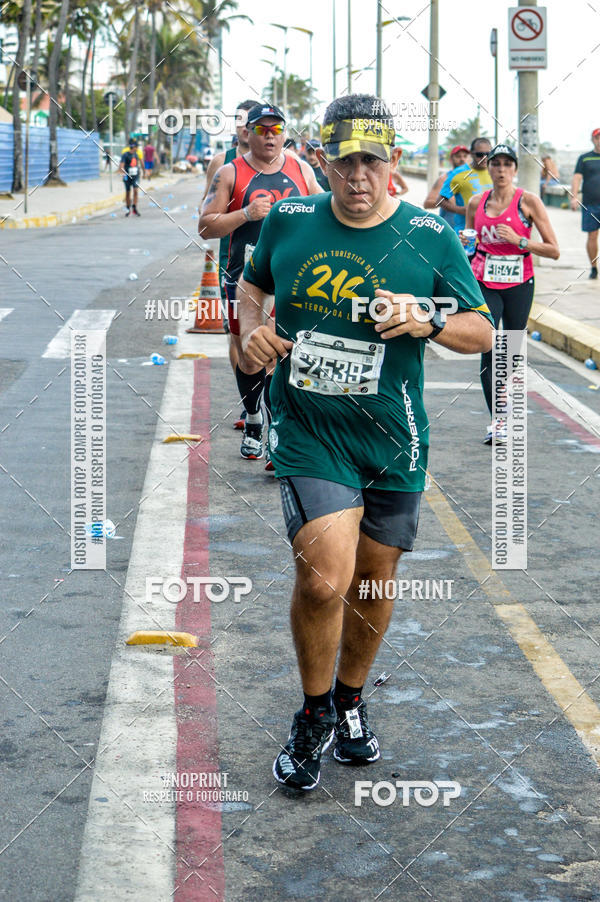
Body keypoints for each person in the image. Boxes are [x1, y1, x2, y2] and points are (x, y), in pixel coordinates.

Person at [237, 93, 494, 791]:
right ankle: (314, 712)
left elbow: (481, 330)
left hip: (393, 436)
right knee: (324, 575)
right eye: (344, 161)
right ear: (321, 161)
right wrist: (250, 333)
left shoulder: (430, 237)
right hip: (310, 428)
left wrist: (428, 321)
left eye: (371, 162)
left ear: (394, 165)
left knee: (375, 580)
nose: (357, 177)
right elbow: (253, 288)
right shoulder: (289, 220)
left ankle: (351, 699)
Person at [198, 102, 322, 463]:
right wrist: (246, 214)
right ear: (248, 133)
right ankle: (254, 417)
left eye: (276, 129)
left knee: (284, 353)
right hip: (244, 277)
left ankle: (279, 435)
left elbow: (323, 210)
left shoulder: (300, 168)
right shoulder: (230, 172)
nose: (270, 136)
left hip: (293, 276)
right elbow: (205, 225)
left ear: (285, 133)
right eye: (262, 129)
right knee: (251, 354)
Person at [462, 144, 559, 444]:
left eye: (507, 164)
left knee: (511, 351)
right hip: (484, 281)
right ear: (488, 168)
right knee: (489, 347)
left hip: (520, 283)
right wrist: (462, 244)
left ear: (515, 170)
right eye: (496, 164)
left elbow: (553, 250)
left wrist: (521, 242)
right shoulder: (476, 202)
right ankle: (498, 422)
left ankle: (507, 414)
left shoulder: (527, 201)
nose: (501, 170)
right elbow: (469, 244)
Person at [200, 99, 264, 432]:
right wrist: (245, 214)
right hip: (235, 266)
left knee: (271, 340)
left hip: (276, 270)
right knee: (238, 341)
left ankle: (266, 410)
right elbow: (208, 217)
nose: (244, 126)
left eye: (250, 121)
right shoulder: (222, 164)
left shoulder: (284, 164)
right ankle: (250, 404)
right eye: (240, 121)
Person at [440, 138, 493, 233]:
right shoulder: (458, 173)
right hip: (466, 234)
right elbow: (440, 200)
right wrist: (462, 210)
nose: (484, 158)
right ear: (472, 154)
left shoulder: (495, 171)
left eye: (488, 154)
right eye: (480, 155)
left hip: (489, 234)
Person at [571, 129, 600, 279]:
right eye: (597, 137)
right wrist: (574, 197)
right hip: (590, 204)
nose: (599, 140)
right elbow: (577, 178)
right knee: (592, 236)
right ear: (593, 139)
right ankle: (594, 267)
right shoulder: (584, 158)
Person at [424, 145, 469, 228]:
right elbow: (427, 204)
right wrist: (445, 201)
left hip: (467, 229)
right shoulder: (444, 178)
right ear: (451, 160)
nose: (462, 159)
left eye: (465, 156)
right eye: (458, 156)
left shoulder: (473, 178)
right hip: (449, 228)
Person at [119, 138, 142, 216]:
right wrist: (122, 173)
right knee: (128, 192)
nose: (137, 148)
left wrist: (142, 172)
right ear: (134, 147)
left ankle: (134, 207)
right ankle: (128, 208)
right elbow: (121, 165)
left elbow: (137, 163)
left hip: (135, 176)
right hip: (127, 176)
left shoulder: (136, 154)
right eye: (137, 147)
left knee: (136, 190)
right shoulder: (125, 155)